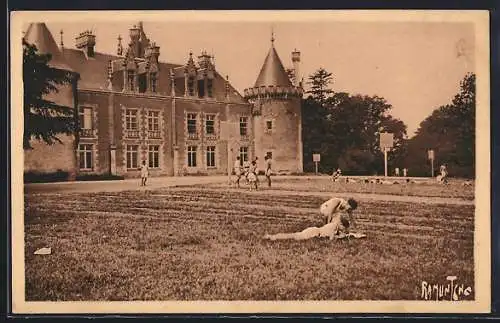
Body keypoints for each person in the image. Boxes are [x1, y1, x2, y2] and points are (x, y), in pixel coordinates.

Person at [263, 217, 346, 241]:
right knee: (293, 236)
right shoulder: (334, 226)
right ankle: (272, 237)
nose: (343, 230)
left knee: (293, 235)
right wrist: (340, 237)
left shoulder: (334, 226)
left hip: (314, 231)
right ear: (341, 224)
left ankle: (272, 236)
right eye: (343, 227)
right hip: (313, 233)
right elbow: (331, 239)